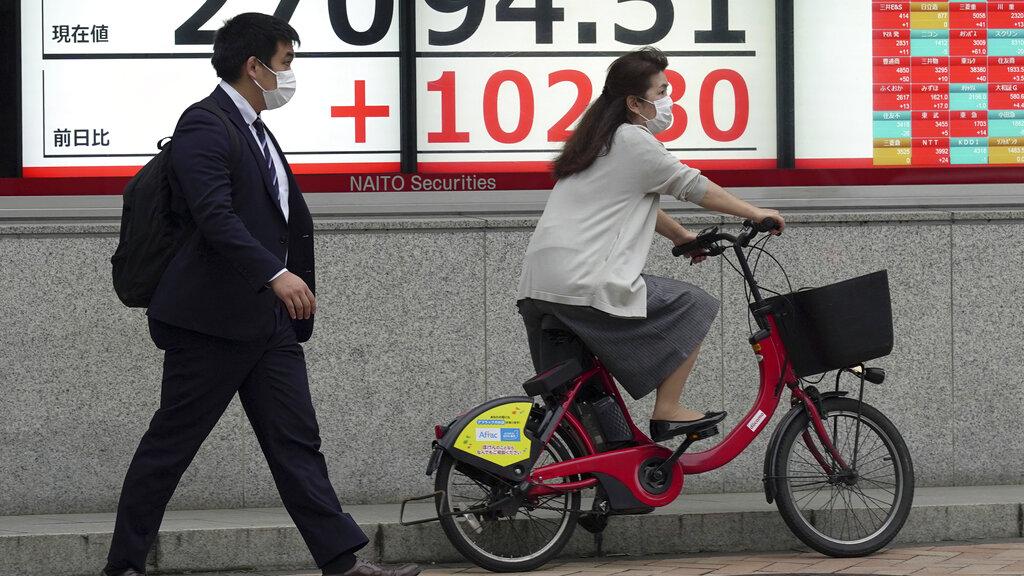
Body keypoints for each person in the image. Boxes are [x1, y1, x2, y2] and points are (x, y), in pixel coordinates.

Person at [102, 13, 419, 576]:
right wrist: (276, 274)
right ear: (254, 66)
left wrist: (280, 282)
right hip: (211, 323)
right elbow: (215, 216)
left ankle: (342, 563)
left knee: (297, 443)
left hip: (266, 324)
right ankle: (124, 564)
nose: (289, 75)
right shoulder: (205, 124)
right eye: (285, 63)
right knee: (170, 447)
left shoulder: (254, 128)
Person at [517, 47, 786, 442]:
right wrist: (755, 212)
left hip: (539, 286)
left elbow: (630, 200)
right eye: (661, 92)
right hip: (583, 279)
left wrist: (680, 236)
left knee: (581, 403)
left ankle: (600, 468)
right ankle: (669, 410)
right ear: (634, 102)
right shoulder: (631, 139)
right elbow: (691, 185)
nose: (667, 100)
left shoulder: (595, 141)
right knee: (694, 303)